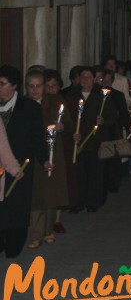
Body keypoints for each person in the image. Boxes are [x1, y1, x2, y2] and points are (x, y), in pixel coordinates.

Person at [0, 65, 48, 258]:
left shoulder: (29, 108)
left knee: (16, 207)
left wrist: (44, 159)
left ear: (14, 86)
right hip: (0, 166)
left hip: (20, 165)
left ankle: (14, 243)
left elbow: (38, 138)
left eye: (2, 84)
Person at [24, 70, 72, 249]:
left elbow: (69, 124)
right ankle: (35, 234)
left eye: (39, 86)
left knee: (51, 194)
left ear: (44, 87)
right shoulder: (24, 104)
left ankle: (48, 231)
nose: (35, 90)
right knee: (36, 195)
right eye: (31, 86)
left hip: (53, 152)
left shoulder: (56, 101)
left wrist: (62, 126)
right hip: (33, 155)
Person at [64, 66, 116, 212]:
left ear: (94, 79)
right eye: (83, 77)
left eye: (88, 77)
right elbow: (67, 119)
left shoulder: (102, 95)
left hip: (96, 141)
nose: (85, 80)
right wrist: (71, 133)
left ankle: (93, 202)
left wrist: (103, 120)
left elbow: (112, 116)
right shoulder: (72, 95)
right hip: (78, 142)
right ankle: (77, 202)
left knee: (95, 173)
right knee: (78, 174)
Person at [44, 69, 77, 233]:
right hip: (44, 146)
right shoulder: (39, 102)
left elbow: (70, 124)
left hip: (59, 148)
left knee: (59, 183)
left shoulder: (60, 100)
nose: (50, 89)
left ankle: (57, 219)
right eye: (47, 86)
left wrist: (63, 127)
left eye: (54, 86)